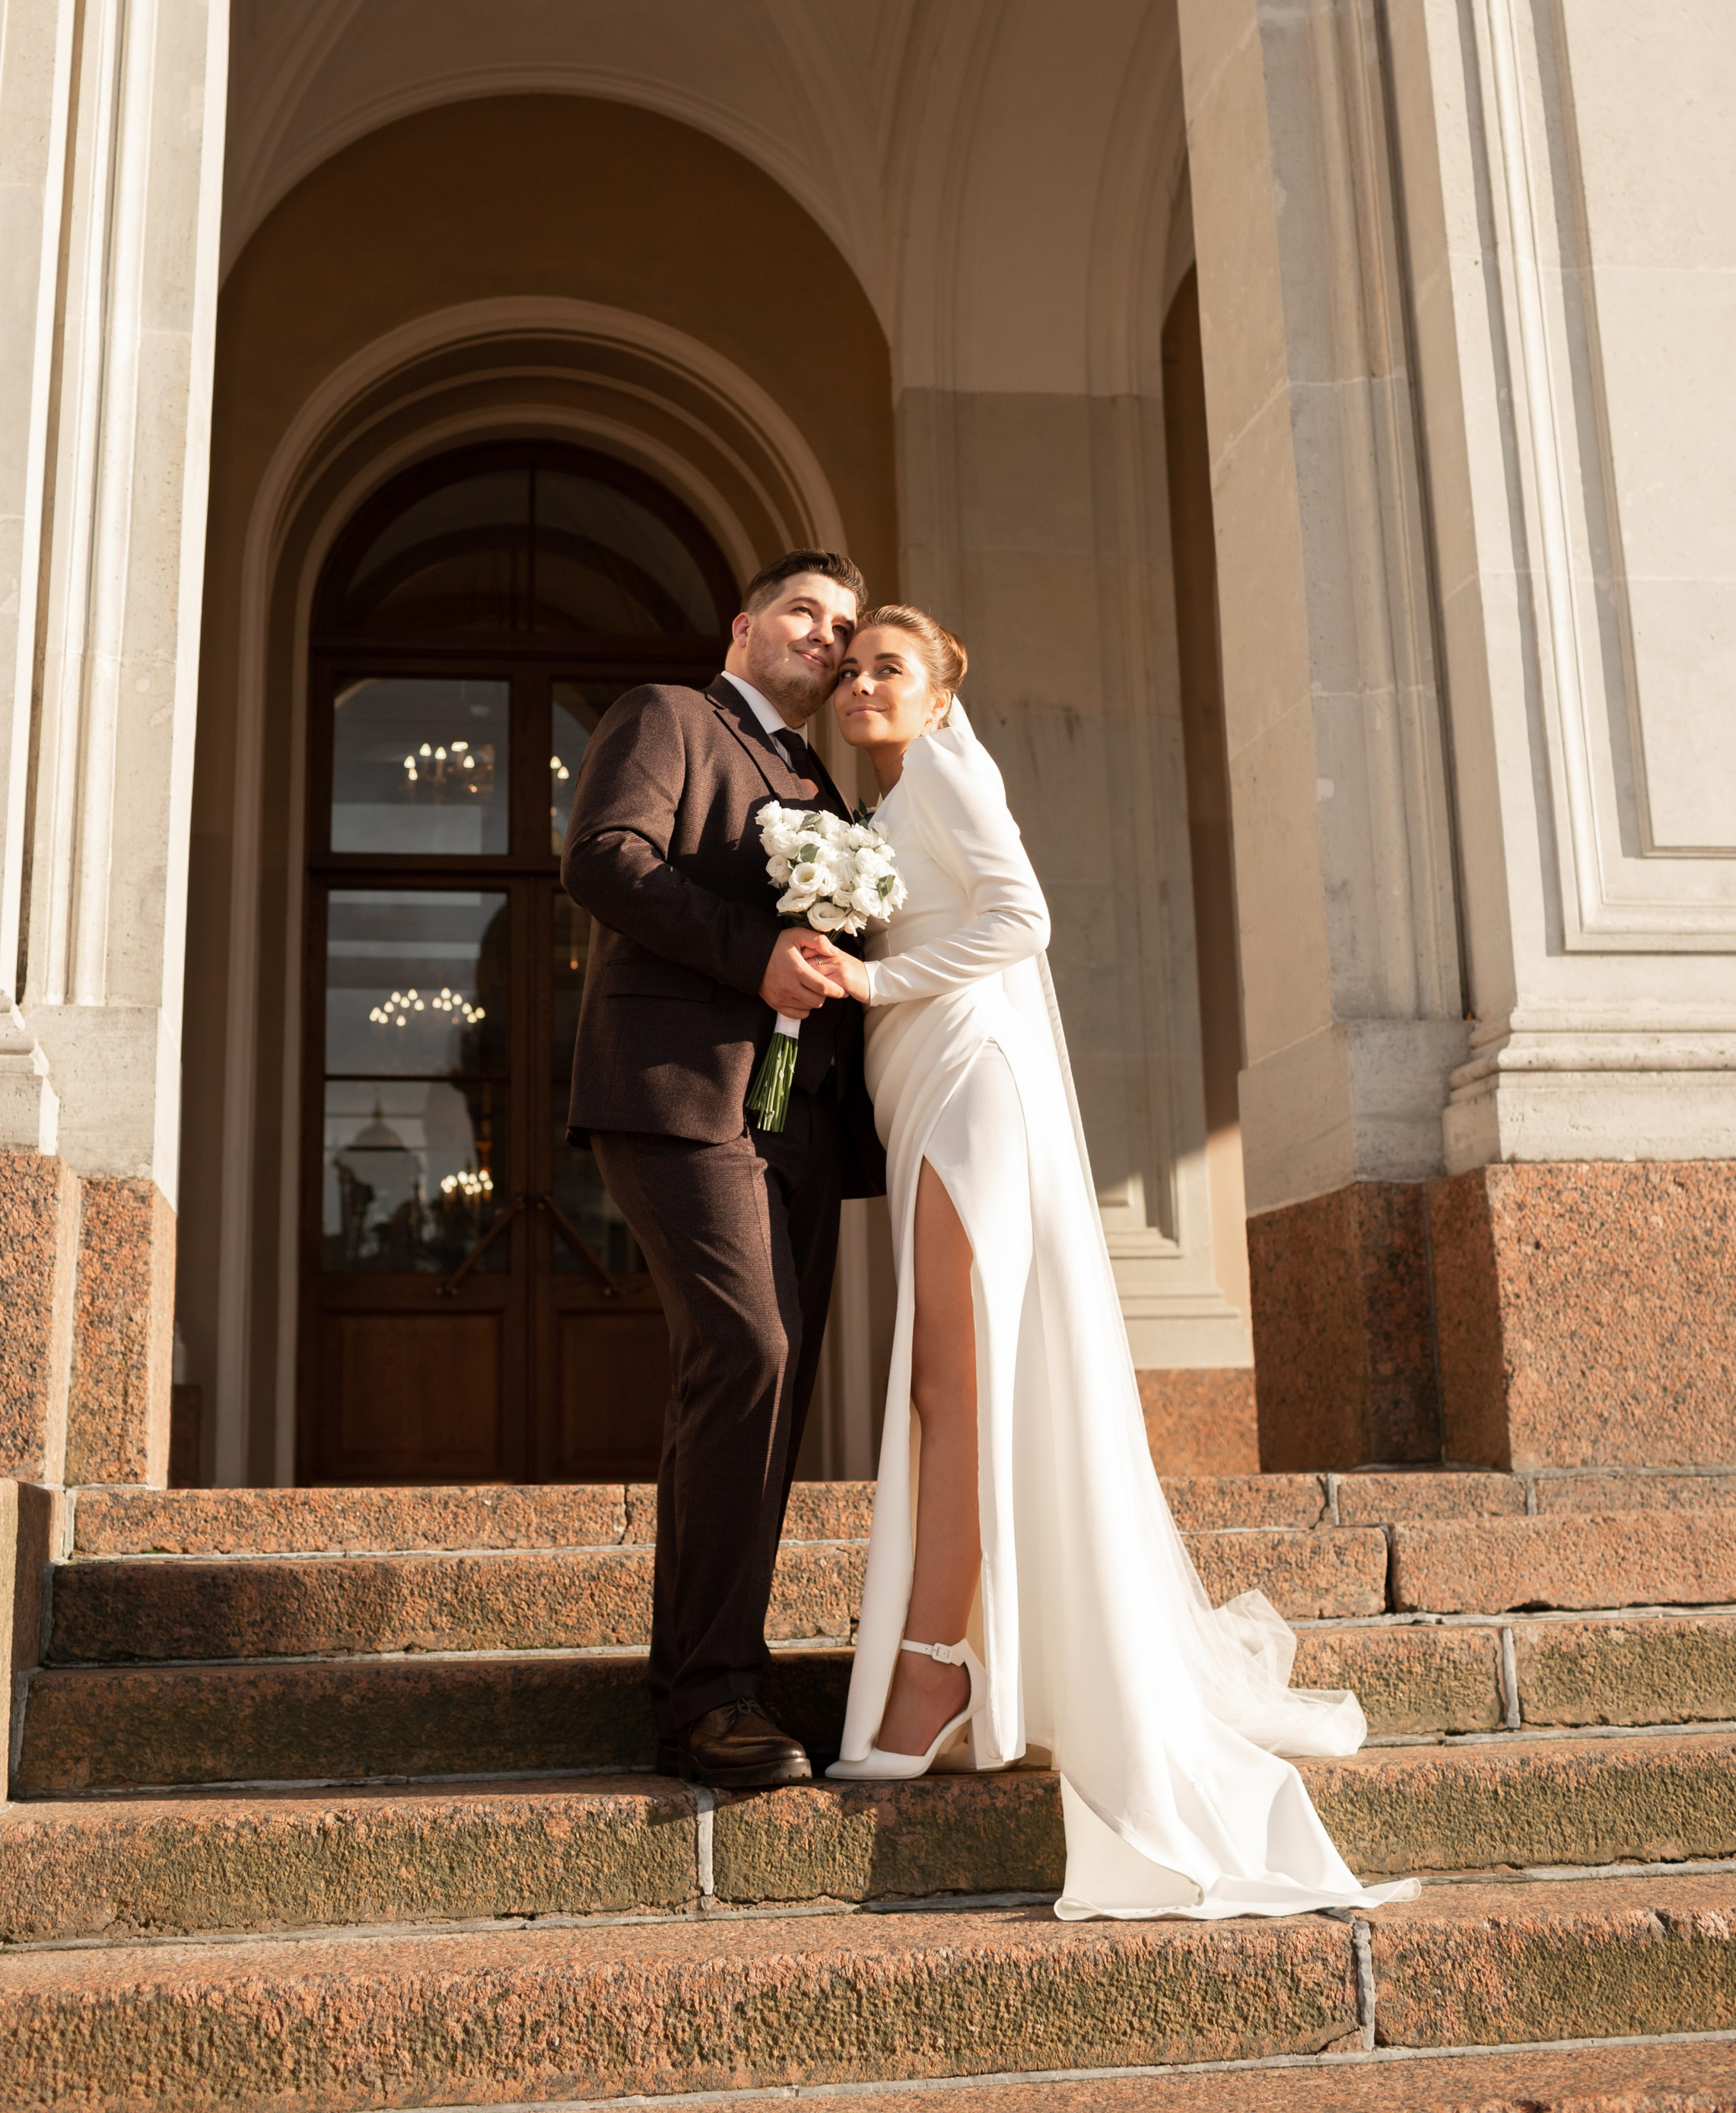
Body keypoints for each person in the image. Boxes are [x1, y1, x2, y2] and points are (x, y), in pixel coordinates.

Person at [816, 605, 1414, 1921]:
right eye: (853, 671)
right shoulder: (891, 800)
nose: (863, 685)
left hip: (975, 1079)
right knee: (947, 1379)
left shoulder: (956, 775)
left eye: (890, 670)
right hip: (924, 1078)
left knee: (951, 1379)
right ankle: (960, 1653)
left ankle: (939, 1663)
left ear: (938, 690)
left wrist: (870, 990)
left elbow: (1022, 920)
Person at [559, 550, 879, 1790]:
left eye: (843, 626)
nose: (826, 635)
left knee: (772, 1383)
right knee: (750, 1348)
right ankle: (708, 1698)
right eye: (805, 611)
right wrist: (755, 956)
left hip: (797, 1117)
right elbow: (606, 858)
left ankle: (720, 1669)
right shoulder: (672, 717)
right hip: (680, 1092)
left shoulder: (819, 782)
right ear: (745, 625)